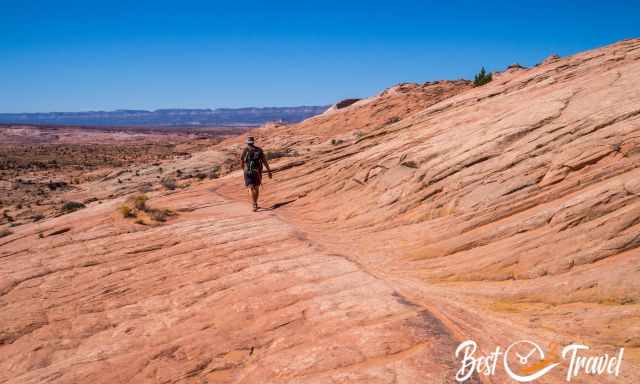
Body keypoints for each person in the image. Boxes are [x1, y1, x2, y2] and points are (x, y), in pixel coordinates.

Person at [240, 136, 272, 211]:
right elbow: (264, 161)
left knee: (250, 188)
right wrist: (269, 171)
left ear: (247, 143)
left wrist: (244, 170)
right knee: (256, 187)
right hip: (257, 171)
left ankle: (254, 204)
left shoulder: (245, 150)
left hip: (247, 171)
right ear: (253, 142)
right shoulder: (259, 150)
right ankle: (255, 203)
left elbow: (241, 162)